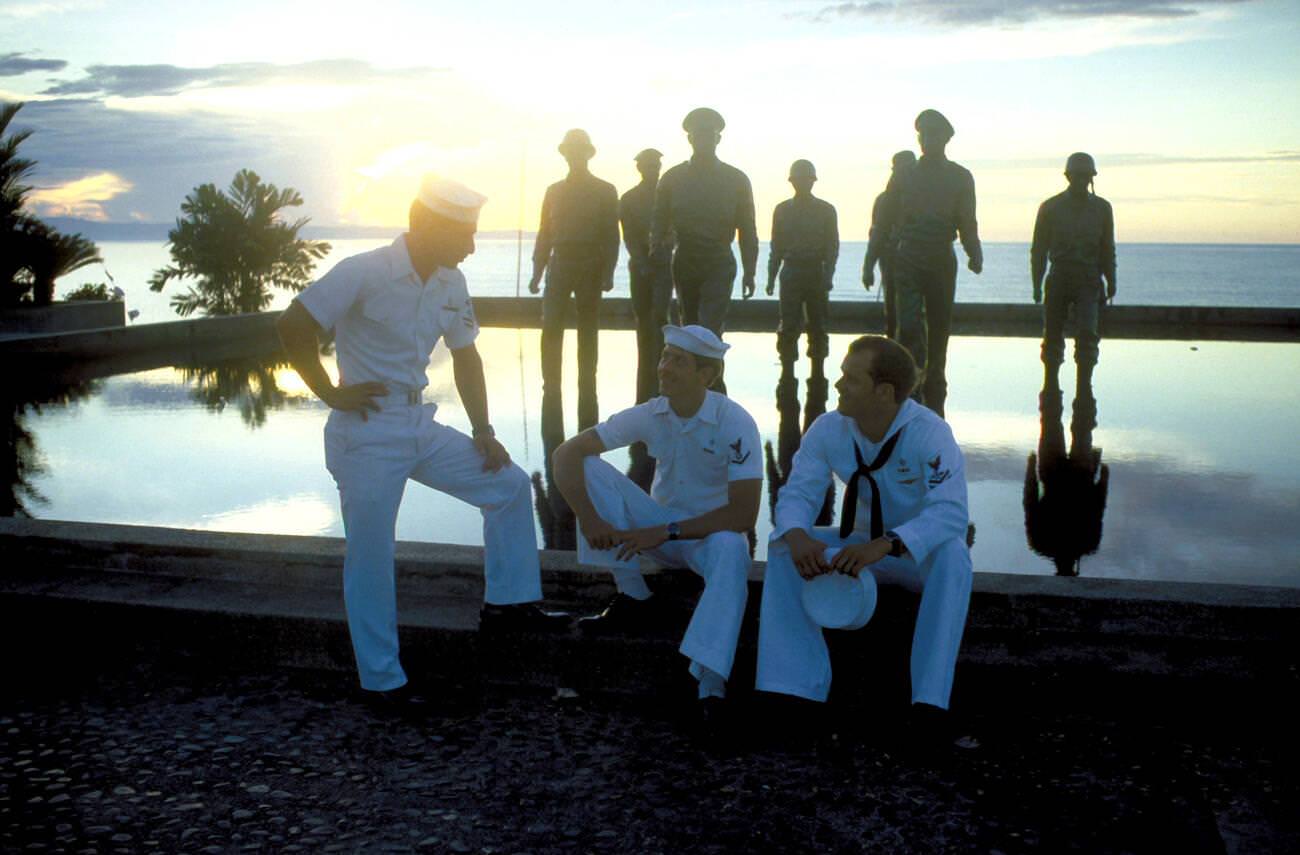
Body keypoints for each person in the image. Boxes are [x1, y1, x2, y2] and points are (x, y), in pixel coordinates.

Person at [277, 174, 568, 711]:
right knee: (371, 557)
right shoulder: (363, 271)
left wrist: (484, 430)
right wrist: (328, 393)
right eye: (465, 233)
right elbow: (293, 325)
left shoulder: (451, 282)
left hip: (417, 422)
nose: (472, 246)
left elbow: (466, 355)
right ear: (427, 226)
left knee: (507, 486)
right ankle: (382, 682)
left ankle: (508, 605)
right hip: (366, 431)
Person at [756, 335, 972, 741]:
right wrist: (798, 535)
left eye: (851, 379)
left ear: (884, 392)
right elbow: (798, 493)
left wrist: (886, 543)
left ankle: (929, 705)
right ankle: (791, 692)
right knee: (783, 546)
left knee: (954, 554)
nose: (838, 384)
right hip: (857, 548)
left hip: (910, 555)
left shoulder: (929, 433)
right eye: (842, 375)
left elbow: (951, 511)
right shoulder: (828, 429)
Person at [551, 325, 762, 716]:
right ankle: (634, 596)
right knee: (588, 464)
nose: (664, 367)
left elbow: (744, 514)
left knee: (733, 547)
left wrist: (665, 531)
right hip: (658, 532)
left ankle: (709, 684)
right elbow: (565, 454)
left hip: (707, 537)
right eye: (665, 356)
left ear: (706, 375)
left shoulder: (735, 422)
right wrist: (589, 518)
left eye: (678, 361)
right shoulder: (652, 413)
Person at [875, 109, 982, 418]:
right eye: (922, 134)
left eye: (933, 134)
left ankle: (936, 376)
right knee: (908, 323)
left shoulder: (960, 176)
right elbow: (884, 218)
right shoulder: (904, 175)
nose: (926, 140)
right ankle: (910, 379)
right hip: (908, 255)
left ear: (945, 139)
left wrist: (974, 251)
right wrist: (876, 253)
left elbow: (967, 219)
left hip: (941, 256)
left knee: (939, 323)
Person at [528, 129, 621, 431]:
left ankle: (587, 382)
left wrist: (608, 271)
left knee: (588, 328)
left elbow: (612, 235)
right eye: (570, 151)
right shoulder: (553, 191)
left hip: (591, 264)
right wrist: (537, 271)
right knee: (551, 325)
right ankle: (550, 383)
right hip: (559, 264)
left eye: (579, 151)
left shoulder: (605, 190)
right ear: (565, 155)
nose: (574, 156)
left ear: (587, 155)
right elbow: (544, 233)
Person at [650, 107, 759, 337]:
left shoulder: (736, 180)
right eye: (699, 135)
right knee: (688, 329)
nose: (704, 140)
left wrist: (750, 271)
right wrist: (656, 261)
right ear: (690, 139)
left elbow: (748, 229)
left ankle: (710, 361)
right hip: (685, 261)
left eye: (709, 135)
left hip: (718, 261)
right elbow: (658, 226)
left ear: (718, 139)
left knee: (710, 329)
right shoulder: (672, 179)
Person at [1031, 152, 1117, 391]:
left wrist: (1111, 279)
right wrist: (1036, 284)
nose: (1081, 180)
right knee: (1052, 336)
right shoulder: (1050, 207)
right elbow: (1038, 250)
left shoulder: (1102, 208)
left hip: (1089, 279)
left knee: (1088, 336)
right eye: (1077, 175)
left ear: (1091, 177)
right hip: (1059, 277)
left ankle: (1084, 389)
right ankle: (1050, 387)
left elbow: (1107, 248)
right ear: (1068, 176)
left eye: (1085, 176)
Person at [767, 159, 839, 372]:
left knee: (818, 324)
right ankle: (787, 371)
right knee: (788, 324)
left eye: (806, 179)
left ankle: (818, 372)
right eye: (799, 179)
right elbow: (776, 246)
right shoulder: (782, 210)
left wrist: (828, 275)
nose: (803, 183)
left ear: (813, 181)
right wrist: (771, 276)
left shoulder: (826, 210)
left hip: (815, 271)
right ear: (792, 181)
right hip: (791, 271)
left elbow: (832, 247)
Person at [620, 147, 675, 404]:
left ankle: (664, 364)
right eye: (648, 165)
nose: (653, 169)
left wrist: (664, 249)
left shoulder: (670, 197)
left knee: (661, 315)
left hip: (663, 263)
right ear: (640, 168)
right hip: (640, 266)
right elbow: (629, 235)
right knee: (642, 317)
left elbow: (675, 230)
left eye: (655, 165)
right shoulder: (629, 199)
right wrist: (641, 261)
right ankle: (646, 369)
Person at [862, 150, 917, 340]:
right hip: (892, 262)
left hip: (917, 262)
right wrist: (868, 268)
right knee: (893, 312)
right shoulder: (884, 200)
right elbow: (876, 235)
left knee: (914, 316)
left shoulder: (923, 198)